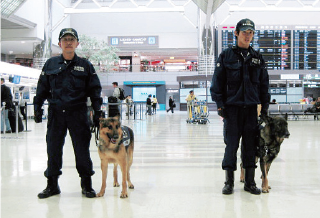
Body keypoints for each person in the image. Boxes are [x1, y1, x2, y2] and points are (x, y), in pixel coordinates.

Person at [33, 28, 103, 199]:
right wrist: (37, 107)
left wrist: (98, 112)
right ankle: (52, 185)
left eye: (72, 39)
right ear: (60, 43)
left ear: (77, 43)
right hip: (56, 114)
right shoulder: (50, 64)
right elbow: (42, 87)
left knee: (82, 150)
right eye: (65, 39)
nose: (69, 42)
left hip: (78, 114)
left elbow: (94, 90)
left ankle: (86, 185)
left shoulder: (85, 65)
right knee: (53, 149)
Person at [210, 18, 270, 195]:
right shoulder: (226, 56)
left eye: (250, 32)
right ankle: (229, 182)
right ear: (236, 33)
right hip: (232, 110)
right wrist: (221, 106)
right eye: (244, 32)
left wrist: (264, 110)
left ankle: (250, 183)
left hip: (251, 110)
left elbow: (264, 86)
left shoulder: (257, 58)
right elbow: (217, 84)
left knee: (250, 147)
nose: (247, 36)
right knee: (231, 146)